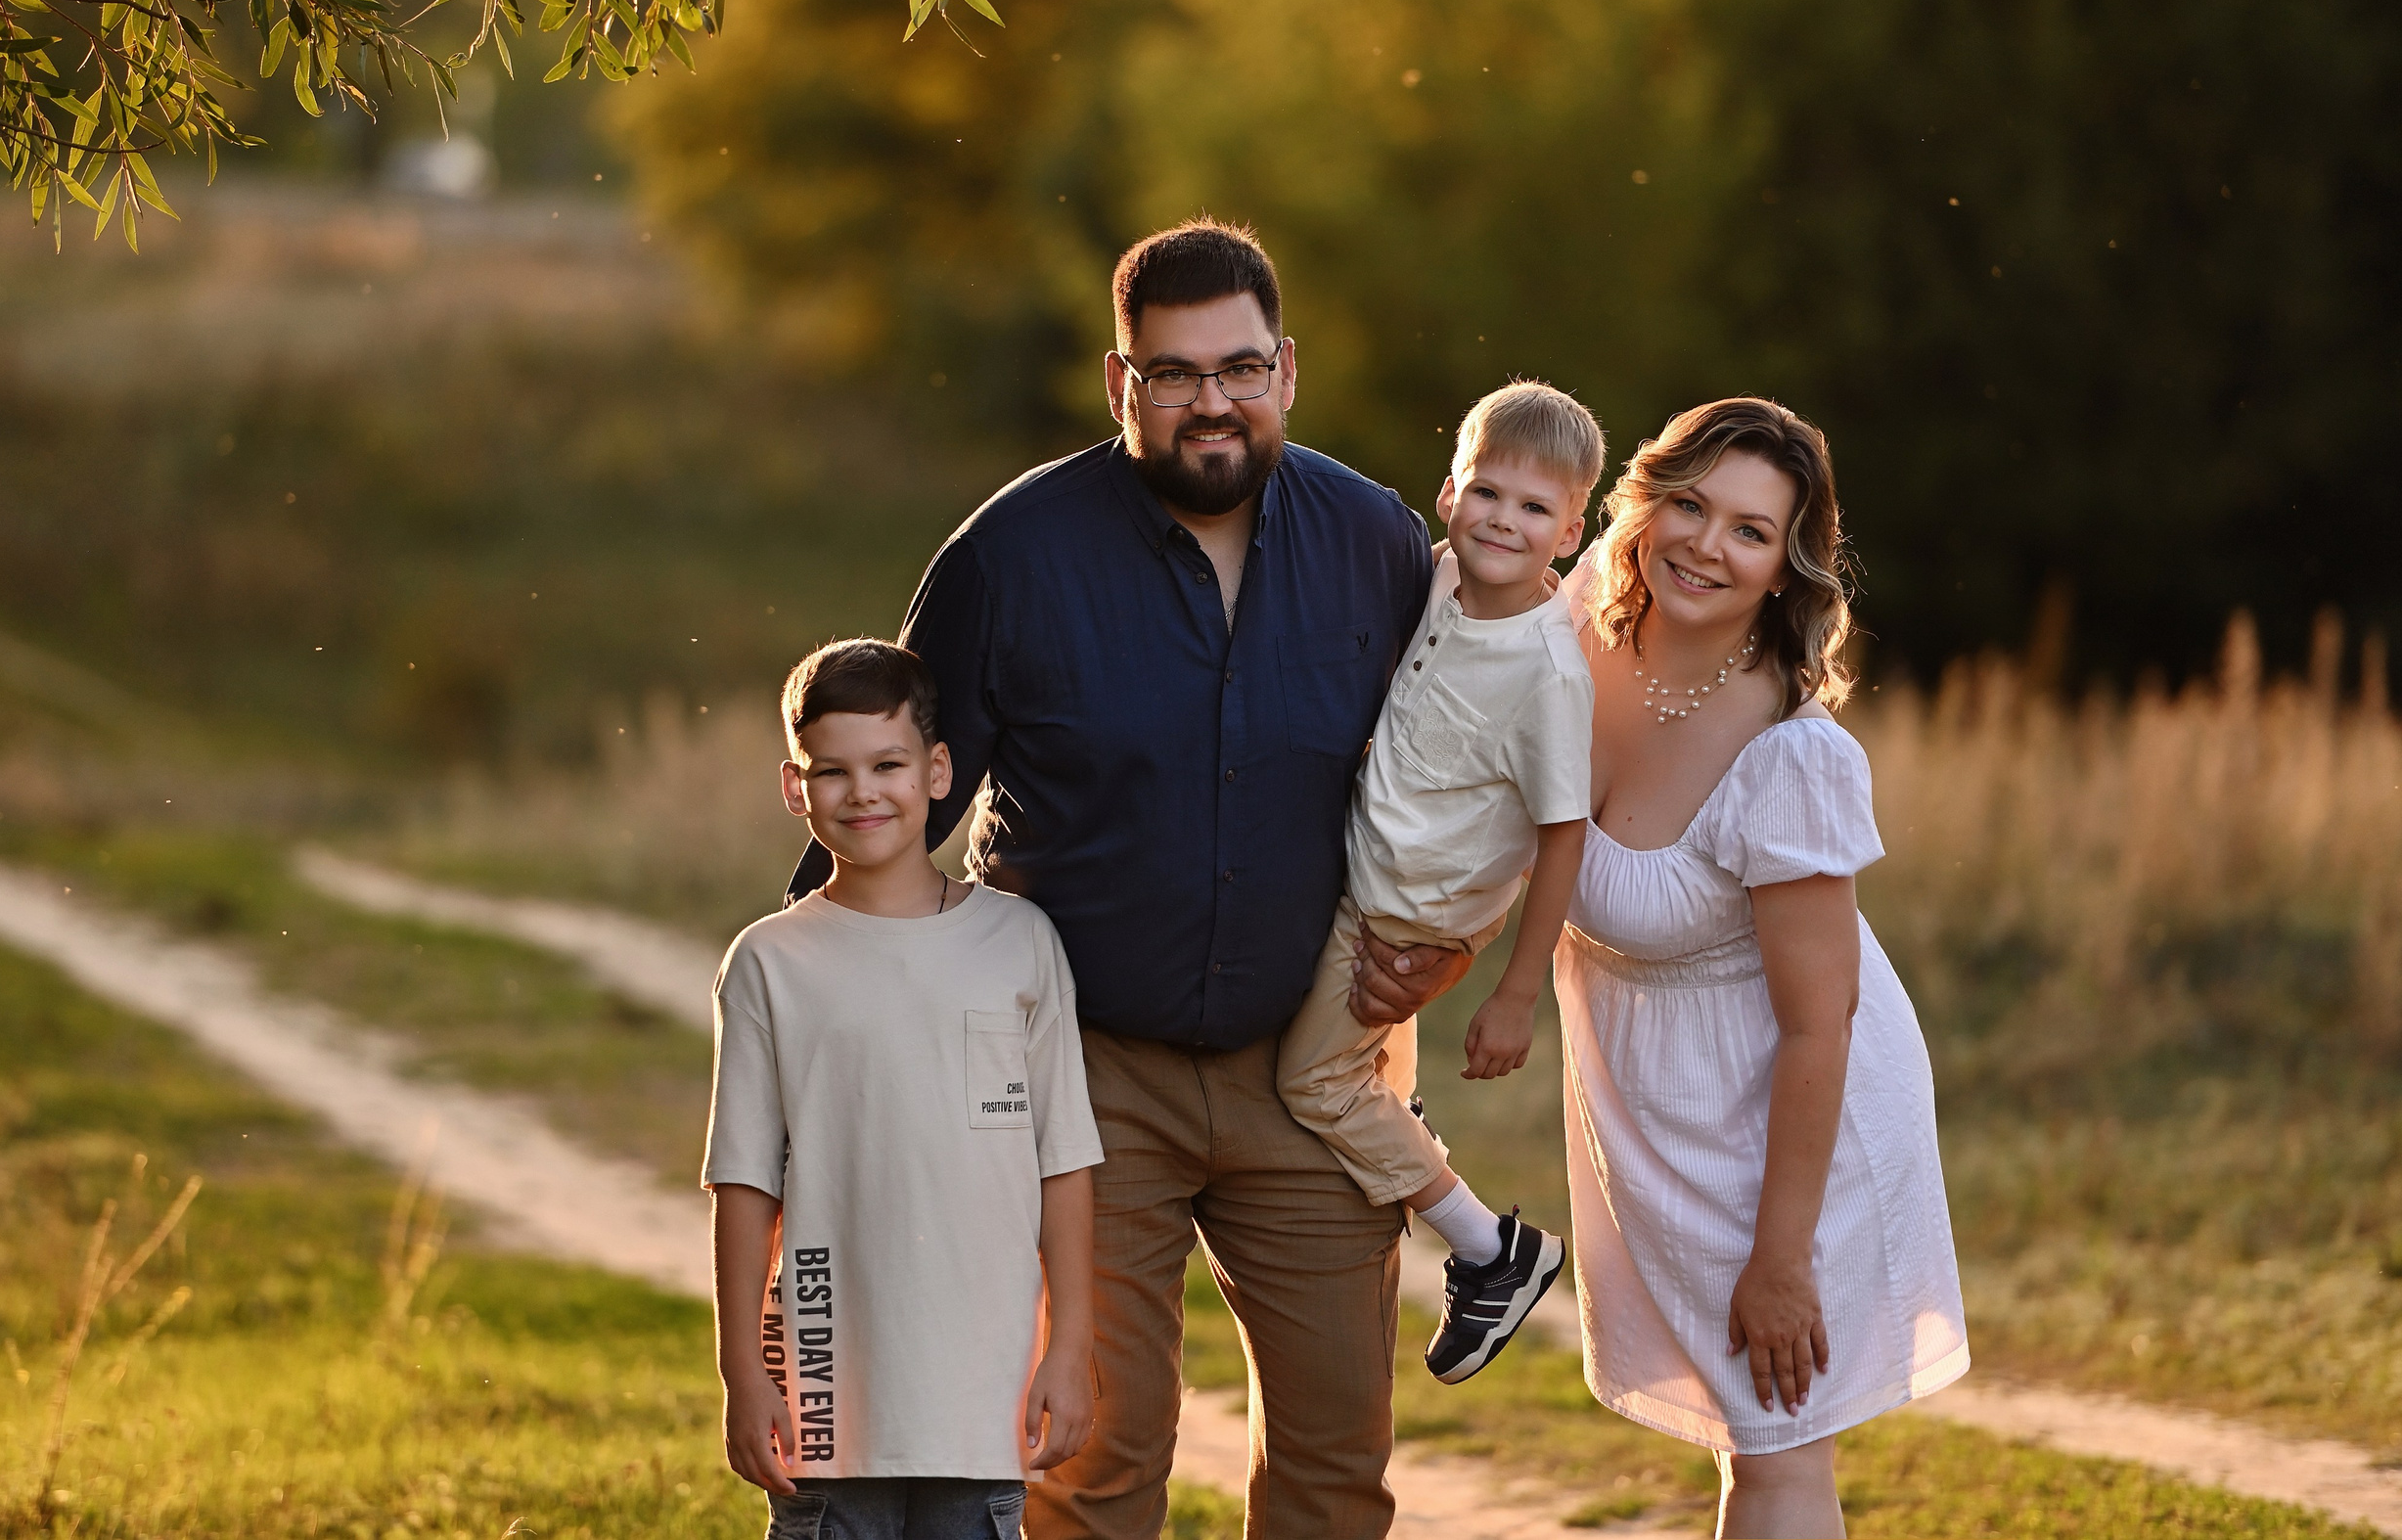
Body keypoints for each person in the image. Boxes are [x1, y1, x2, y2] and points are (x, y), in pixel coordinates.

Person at [789, 218, 1477, 1539]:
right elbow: (883, 810)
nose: (1210, 399)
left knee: (1339, 1473)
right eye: (1173, 372)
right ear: (1122, 385)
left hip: (1317, 1079)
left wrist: (1450, 944)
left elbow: (1470, 781)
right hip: (1078, 1074)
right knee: (1093, 1458)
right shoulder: (1011, 557)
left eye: (1239, 365)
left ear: (1288, 369)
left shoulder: (1378, 546)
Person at [1555, 398, 1967, 1538]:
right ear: (1641, 505)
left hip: (1788, 1126)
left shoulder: (1791, 757)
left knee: (1777, 1445)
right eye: (1688, 504)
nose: (1704, 544)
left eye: (1749, 531)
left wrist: (1779, 1260)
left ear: (1787, 572)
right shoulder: (1568, 623)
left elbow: (1817, 1025)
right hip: (1649, 1113)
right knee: (1752, 1435)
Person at [705, 639, 1103, 1540]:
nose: (863, 792)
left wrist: (1071, 1342)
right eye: (832, 771)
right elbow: (743, 1181)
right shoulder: (768, 961)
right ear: (793, 787)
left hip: (984, 1389)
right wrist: (743, 1370)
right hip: (826, 1391)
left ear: (938, 770)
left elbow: (1065, 1163)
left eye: (888, 764)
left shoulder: (1021, 942)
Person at [1275, 380, 1600, 1383]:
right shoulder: (1431, 577)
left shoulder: (1548, 671)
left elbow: (1563, 839)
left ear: (1571, 530)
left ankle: (1489, 1251)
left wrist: (1513, 992)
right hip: (1363, 873)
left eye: (1536, 508)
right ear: (1448, 490)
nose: (1506, 519)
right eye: (1489, 492)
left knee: (1308, 1081)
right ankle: (1393, 1110)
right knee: (1333, 1066)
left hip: (1411, 917)